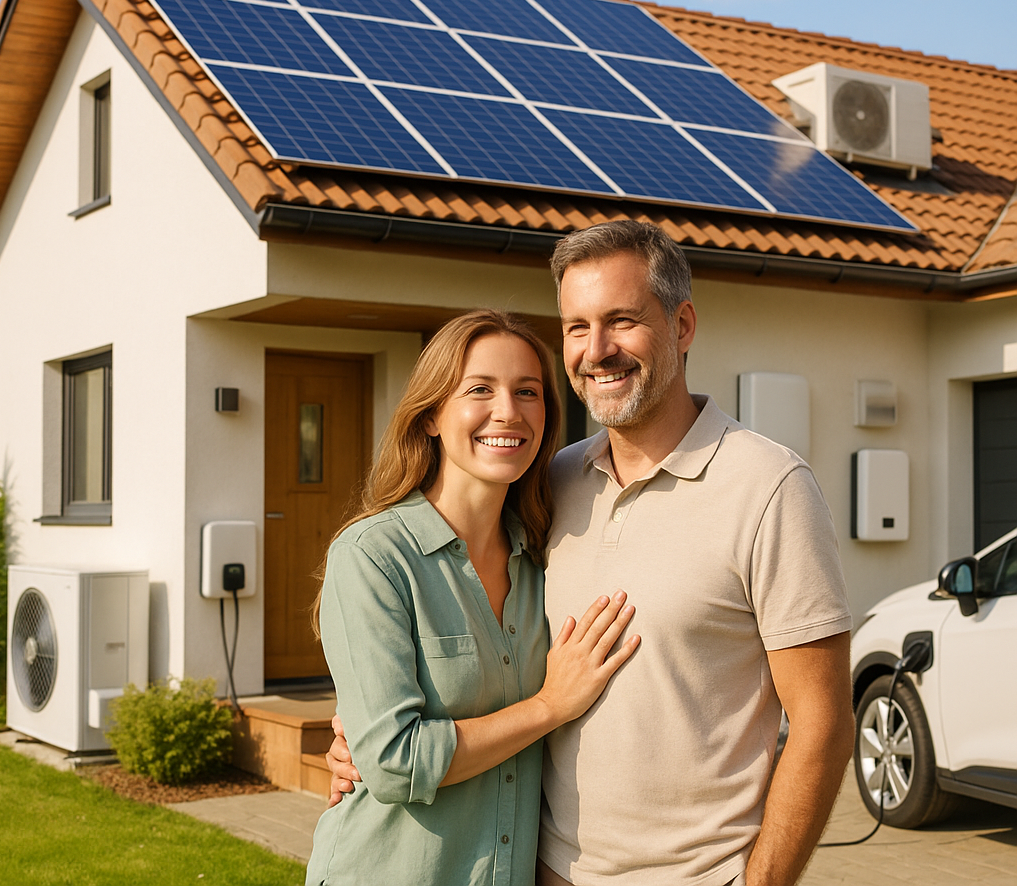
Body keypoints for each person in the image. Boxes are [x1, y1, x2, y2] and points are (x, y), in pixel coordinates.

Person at [327, 223, 855, 886]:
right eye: (576, 327)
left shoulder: (769, 487)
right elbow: (461, 664)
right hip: (539, 871)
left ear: (682, 324)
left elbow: (824, 721)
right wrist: (363, 730)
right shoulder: (549, 488)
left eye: (622, 320)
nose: (596, 350)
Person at [305, 309, 640, 886]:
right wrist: (547, 706)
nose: (507, 411)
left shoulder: (545, 560)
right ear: (432, 415)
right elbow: (391, 762)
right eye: (479, 389)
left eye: (527, 391)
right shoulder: (373, 556)